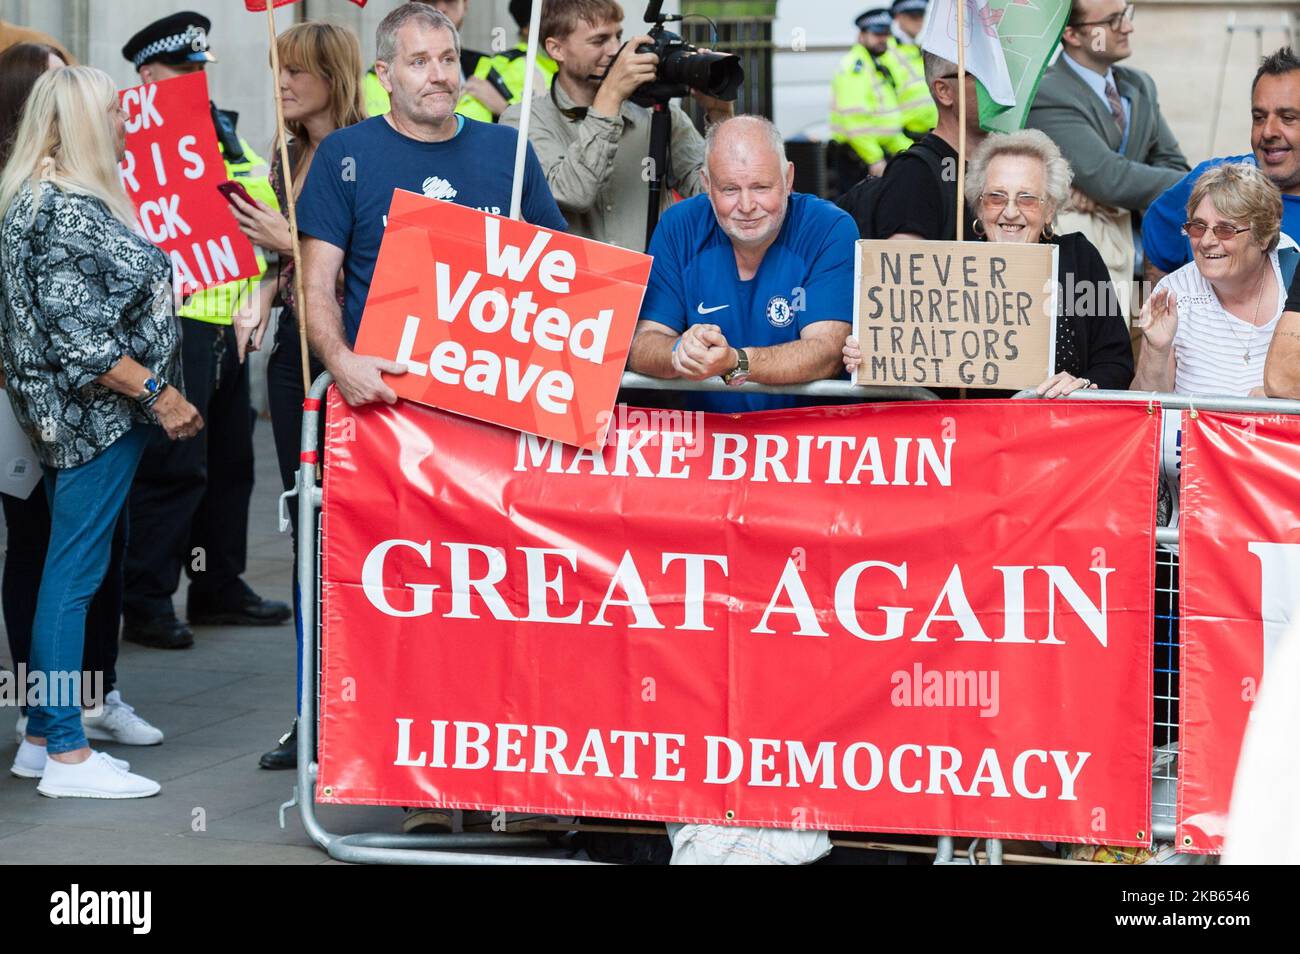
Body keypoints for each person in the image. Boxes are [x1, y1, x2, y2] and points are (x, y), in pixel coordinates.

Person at [0, 65, 202, 797]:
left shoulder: (45, 199)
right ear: (83, 123)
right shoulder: (60, 209)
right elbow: (82, 342)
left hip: (76, 421)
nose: (126, 122)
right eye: (114, 112)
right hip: (92, 421)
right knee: (72, 577)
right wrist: (163, 396)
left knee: (69, 568)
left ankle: (43, 742)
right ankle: (66, 755)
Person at [297, 3, 566, 410]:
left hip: (494, 396)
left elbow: (566, 272)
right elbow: (314, 284)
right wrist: (341, 362)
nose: (439, 76)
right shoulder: (345, 153)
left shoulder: (508, 149)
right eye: (419, 62)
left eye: (448, 59)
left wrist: (527, 246)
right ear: (385, 74)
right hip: (388, 399)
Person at [119, 11, 290, 651]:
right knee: (174, 463)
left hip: (228, 321)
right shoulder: (130, 133)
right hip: (175, 321)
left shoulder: (217, 128)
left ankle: (218, 585)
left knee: (231, 462)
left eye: (198, 69)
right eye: (180, 70)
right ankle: (147, 598)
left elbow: (258, 205)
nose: (194, 80)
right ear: (146, 75)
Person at [226, 20, 367, 771]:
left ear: (331, 77)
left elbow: (360, 271)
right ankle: (309, 708)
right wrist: (258, 297)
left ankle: (358, 701)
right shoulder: (291, 154)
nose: (282, 85)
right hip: (292, 361)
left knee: (352, 533)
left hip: (347, 358)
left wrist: (291, 245)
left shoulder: (364, 154)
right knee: (302, 525)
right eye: (278, 70)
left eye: (297, 72)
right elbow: (283, 266)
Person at [845, 130, 1135, 395]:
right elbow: (912, 364)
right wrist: (869, 355)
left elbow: (1115, 362)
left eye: (1027, 199)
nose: (1010, 212)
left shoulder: (1079, 259)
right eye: (996, 198)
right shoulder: (948, 267)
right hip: (969, 439)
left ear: (1050, 210)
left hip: (1058, 438)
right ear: (979, 206)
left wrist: (1082, 385)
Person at [628, 115, 856, 413]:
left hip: (807, 440)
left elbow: (826, 352)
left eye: (761, 187)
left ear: (788, 179)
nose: (747, 206)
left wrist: (736, 362)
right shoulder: (678, 226)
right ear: (706, 185)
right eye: (730, 190)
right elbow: (641, 343)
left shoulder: (828, 227)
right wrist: (680, 352)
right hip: (711, 440)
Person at [501, 0, 730, 252]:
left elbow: (717, 194)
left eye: (617, 36)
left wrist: (719, 115)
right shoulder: (523, 120)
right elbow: (574, 193)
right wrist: (610, 95)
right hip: (571, 285)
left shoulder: (656, 114)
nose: (614, 50)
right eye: (599, 41)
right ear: (557, 49)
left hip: (654, 286)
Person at [1026, 1, 1188, 314]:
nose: (1127, 27)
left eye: (1126, 15)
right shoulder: (1047, 91)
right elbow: (1110, 178)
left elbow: (1173, 164)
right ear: (1072, 34)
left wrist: (1112, 195)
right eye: (1112, 21)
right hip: (1086, 273)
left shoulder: (1139, 85)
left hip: (1147, 256)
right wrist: (1201, 179)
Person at [1132, 164, 1296, 397]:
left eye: (1225, 229)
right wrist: (1156, 352)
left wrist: (1276, 400)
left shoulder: (1292, 280)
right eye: (1198, 227)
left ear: (1263, 236)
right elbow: (1146, 412)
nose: (1207, 241)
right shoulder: (1174, 293)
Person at [1145, 48, 1300, 285]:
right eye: (1259, 117)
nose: (1268, 132)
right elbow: (1157, 242)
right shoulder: (1210, 182)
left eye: (1287, 118)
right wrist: (1166, 315)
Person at [855, 51, 983, 242]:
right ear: (944, 91)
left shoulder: (1007, 161)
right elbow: (903, 264)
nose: (998, 88)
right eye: (981, 76)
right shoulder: (914, 173)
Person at [364, 0, 514, 122]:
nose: (441, 7)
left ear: (465, 4)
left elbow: (527, 142)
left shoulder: (496, 67)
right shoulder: (373, 81)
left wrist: (504, 109)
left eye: (448, 60)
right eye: (419, 62)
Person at [829, 8, 912, 189]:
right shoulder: (855, 67)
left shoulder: (877, 64)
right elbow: (855, 120)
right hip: (860, 159)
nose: (883, 39)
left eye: (886, 34)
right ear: (861, 36)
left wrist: (911, 150)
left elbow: (886, 121)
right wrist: (874, 159)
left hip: (877, 153)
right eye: (877, 34)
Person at [879, 0, 936, 140]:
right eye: (913, 16)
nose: (918, 21)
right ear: (898, 17)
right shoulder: (885, 53)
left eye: (921, 15)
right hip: (905, 136)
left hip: (930, 133)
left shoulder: (922, 49)